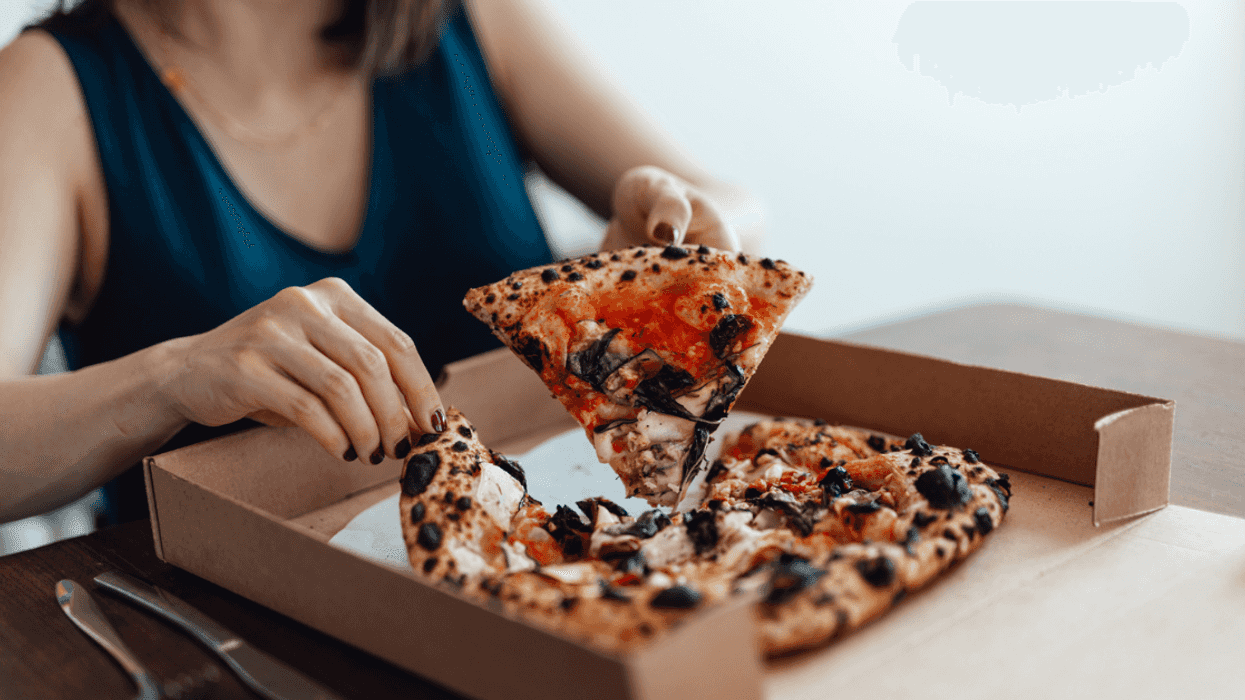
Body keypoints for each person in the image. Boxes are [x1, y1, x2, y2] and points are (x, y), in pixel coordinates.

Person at [0, 0, 765, 526]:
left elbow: (733, 211)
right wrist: (175, 374)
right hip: (232, 624)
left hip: (561, 540)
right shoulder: (47, 86)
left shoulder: (469, 16)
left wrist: (679, 238)